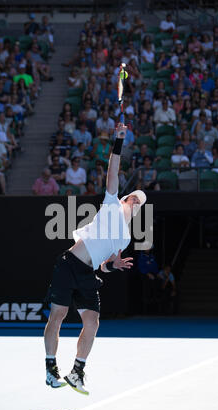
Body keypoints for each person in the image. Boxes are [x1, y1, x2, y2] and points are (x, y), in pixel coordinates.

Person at [43, 123, 146, 394]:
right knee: (59, 314)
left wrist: (114, 265)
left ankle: (77, 371)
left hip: (89, 273)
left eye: (139, 203)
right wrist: (118, 141)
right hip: (70, 263)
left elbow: (105, 266)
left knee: (93, 321)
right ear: (125, 199)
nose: (136, 204)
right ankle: (51, 367)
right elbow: (113, 169)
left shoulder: (125, 239)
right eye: (134, 199)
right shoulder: (111, 203)